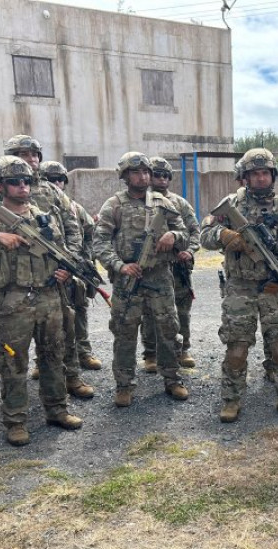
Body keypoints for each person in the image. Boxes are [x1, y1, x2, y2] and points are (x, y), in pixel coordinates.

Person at [0, 156, 84, 446]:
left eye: (26, 181)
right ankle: (16, 421)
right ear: (1, 186)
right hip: (14, 299)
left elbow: (63, 251)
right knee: (13, 363)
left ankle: (57, 410)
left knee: (54, 356)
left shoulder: (45, 215)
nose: (21, 187)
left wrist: (66, 270)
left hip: (49, 297)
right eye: (14, 182)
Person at [201, 148, 278, 423]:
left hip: (276, 289)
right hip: (240, 287)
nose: (260, 178)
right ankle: (231, 399)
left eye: (264, 173)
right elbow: (204, 235)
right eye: (254, 173)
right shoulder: (231, 205)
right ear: (244, 177)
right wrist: (224, 235)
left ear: (272, 175)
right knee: (237, 348)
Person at [93, 152, 190, 408]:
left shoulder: (164, 203)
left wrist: (173, 237)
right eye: (136, 172)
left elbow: (186, 233)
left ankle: (172, 378)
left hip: (159, 277)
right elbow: (100, 242)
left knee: (168, 329)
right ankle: (124, 385)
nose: (143, 176)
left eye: (146, 172)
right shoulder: (113, 205)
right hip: (128, 281)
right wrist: (119, 266)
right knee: (124, 333)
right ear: (125, 176)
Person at [3, 135, 94, 400]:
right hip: (19, 277)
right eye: (23, 155)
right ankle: (31, 382)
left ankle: (72, 377)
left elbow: (72, 227)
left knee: (66, 327)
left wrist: (71, 263)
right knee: (18, 338)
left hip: (57, 272)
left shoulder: (51, 191)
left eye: (34, 155)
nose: (31, 160)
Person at [40, 160, 104, 373]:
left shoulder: (74, 208)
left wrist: (82, 262)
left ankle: (84, 352)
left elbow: (89, 232)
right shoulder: (33, 210)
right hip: (47, 273)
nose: (57, 183)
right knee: (46, 318)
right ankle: (44, 362)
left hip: (73, 269)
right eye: (51, 179)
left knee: (79, 310)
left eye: (60, 179)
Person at [144, 156, 199, 369]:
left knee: (181, 310)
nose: (161, 179)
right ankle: (150, 353)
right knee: (149, 312)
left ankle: (182, 349)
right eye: (157, 175)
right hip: (151, 267)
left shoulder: (179, 203)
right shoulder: (141, 201)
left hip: (178, 268)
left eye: (166, 176)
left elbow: (194, 231)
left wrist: (190, 251)